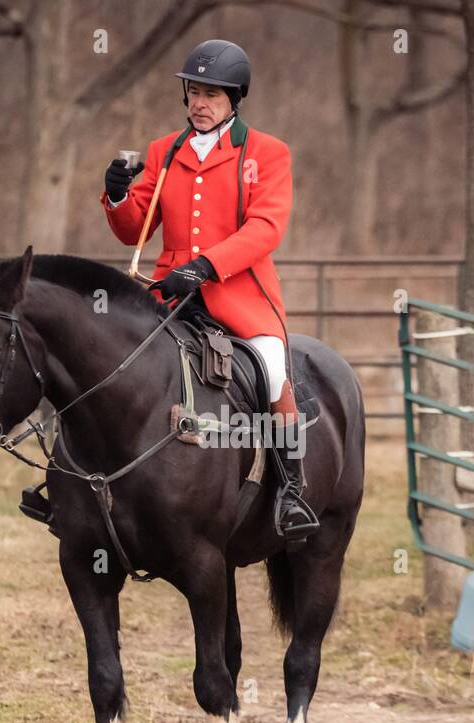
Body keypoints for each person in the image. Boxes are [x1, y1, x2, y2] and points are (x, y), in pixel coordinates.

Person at [98, 38, 316, 541]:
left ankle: (290, 491)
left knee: (271, 367)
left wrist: (204, 267)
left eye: (211, 95)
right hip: (168, 295)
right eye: (194, 92)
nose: (200, 103)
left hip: (240, 294)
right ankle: (81, 485)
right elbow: (135, 229)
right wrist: (115, 195)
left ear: (234, 99)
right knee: (109, 358)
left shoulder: (266, 152)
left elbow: (265, 228)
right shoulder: (163, 151)